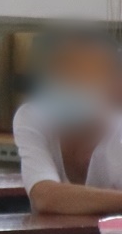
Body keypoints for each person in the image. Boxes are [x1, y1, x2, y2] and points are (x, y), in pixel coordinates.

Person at [12, 29, 122, 215]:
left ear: (113, 86)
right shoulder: (33, 116)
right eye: (60, 71)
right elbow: (45, 196)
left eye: (80, 74)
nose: (68, 82)